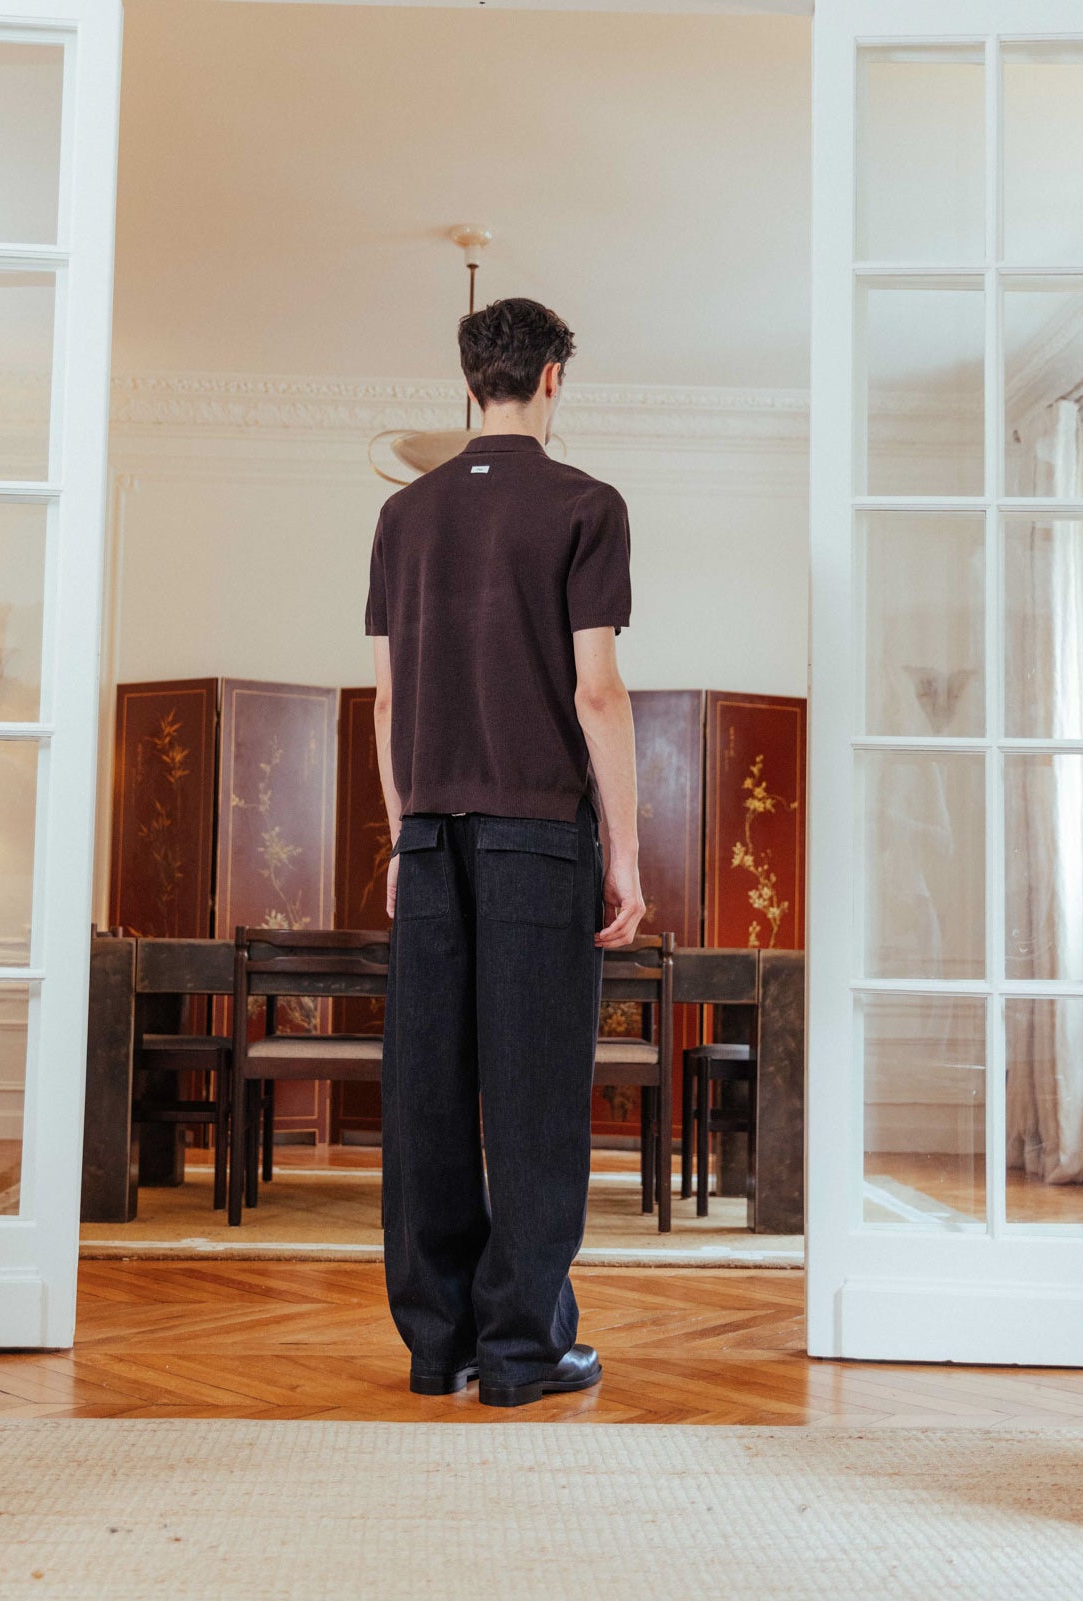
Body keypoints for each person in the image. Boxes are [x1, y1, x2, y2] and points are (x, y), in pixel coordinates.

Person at [365, 297, 644, 1408]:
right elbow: (597, 691)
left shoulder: (403, 515)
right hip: (538, 838)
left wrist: (404, 838)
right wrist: (626, 853)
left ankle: (438, 1344)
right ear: (553, 377)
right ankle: (523, 1349)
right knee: (532, 1093)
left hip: (430, 835)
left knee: (427, 1092)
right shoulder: (586, 504)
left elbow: (387, 699)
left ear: (468, 380)